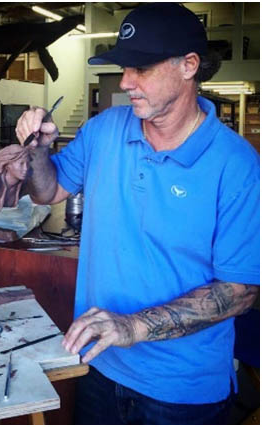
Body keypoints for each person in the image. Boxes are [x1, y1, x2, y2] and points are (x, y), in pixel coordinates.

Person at [15, 3, 259, 425]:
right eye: (124, 67)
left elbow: (242, 291)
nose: (125, 82)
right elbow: (48, 191)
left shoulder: (237, 164)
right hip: (98, 365)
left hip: (181, 393)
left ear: (189, 65)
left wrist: (133, 327)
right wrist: (38, 150)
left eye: (141, 68)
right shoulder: (104, 129)